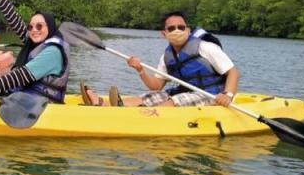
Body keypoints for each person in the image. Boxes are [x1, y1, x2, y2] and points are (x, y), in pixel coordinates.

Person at [81, 11, 240, 107]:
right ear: (164, 34)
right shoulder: (167, 56)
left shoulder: (205, 47)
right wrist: (140, 70)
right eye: (171, 28)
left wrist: (227, 95)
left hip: (211, 94)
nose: (177, 30)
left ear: (188, 30)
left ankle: (139, 116)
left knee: (174, 101)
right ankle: (102, 104)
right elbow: (156, 86)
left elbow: (233, 72)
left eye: (181, 27)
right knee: (146, 97)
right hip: (184, 91)